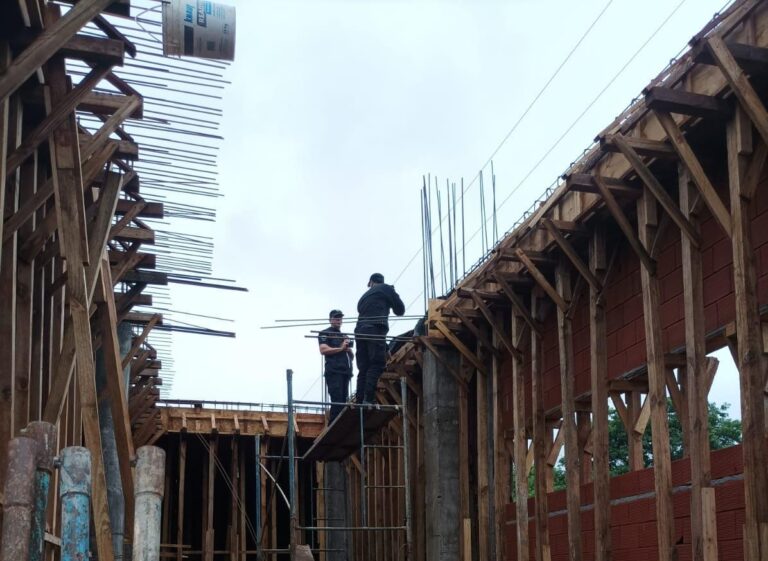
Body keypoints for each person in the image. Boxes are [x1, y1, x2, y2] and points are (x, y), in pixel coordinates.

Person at [354, 273, 405, 404]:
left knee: (364, 368)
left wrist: (386, 346)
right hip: (375, 329)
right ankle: (368, 399)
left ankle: (360, 401)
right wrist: (392, 293)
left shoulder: (363, 297)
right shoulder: (386, 288)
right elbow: (400, 310)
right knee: (377, 364)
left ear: (371, 282)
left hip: (359, 332)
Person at [318, 310, 354, 421]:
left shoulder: (344, 336)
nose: (339, 320)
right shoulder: (325, 333)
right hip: (334, 371)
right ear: (330, 320)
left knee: (343, 404)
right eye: (336, 318)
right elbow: (323, 350)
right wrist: (341, 348)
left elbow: (351, 357)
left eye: (340, 318)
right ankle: (333, 429)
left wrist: (348, 349)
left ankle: (340, 426)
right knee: (337, 402)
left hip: (345, 373)